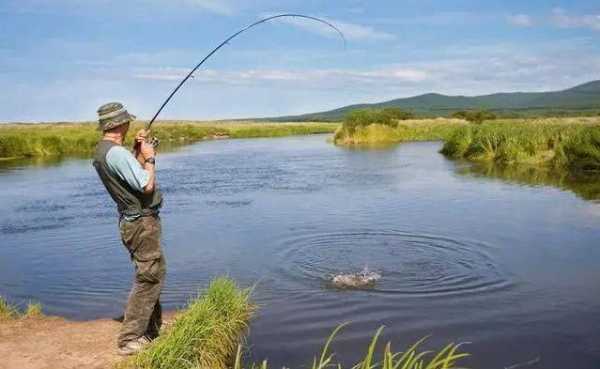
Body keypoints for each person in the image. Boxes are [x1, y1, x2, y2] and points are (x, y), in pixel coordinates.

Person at [92, 102, 166, 356]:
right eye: (127, 121)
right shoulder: (116, 154)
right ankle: (130, 339)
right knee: (149, 276)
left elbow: (130, 175)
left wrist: (137, 151)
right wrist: (150, 156)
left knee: (153, 271)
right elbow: (145, 184)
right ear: (120, 124)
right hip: (141, 223)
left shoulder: (106, 151)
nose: (130, 123)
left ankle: (152, 328)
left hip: (133, 222)